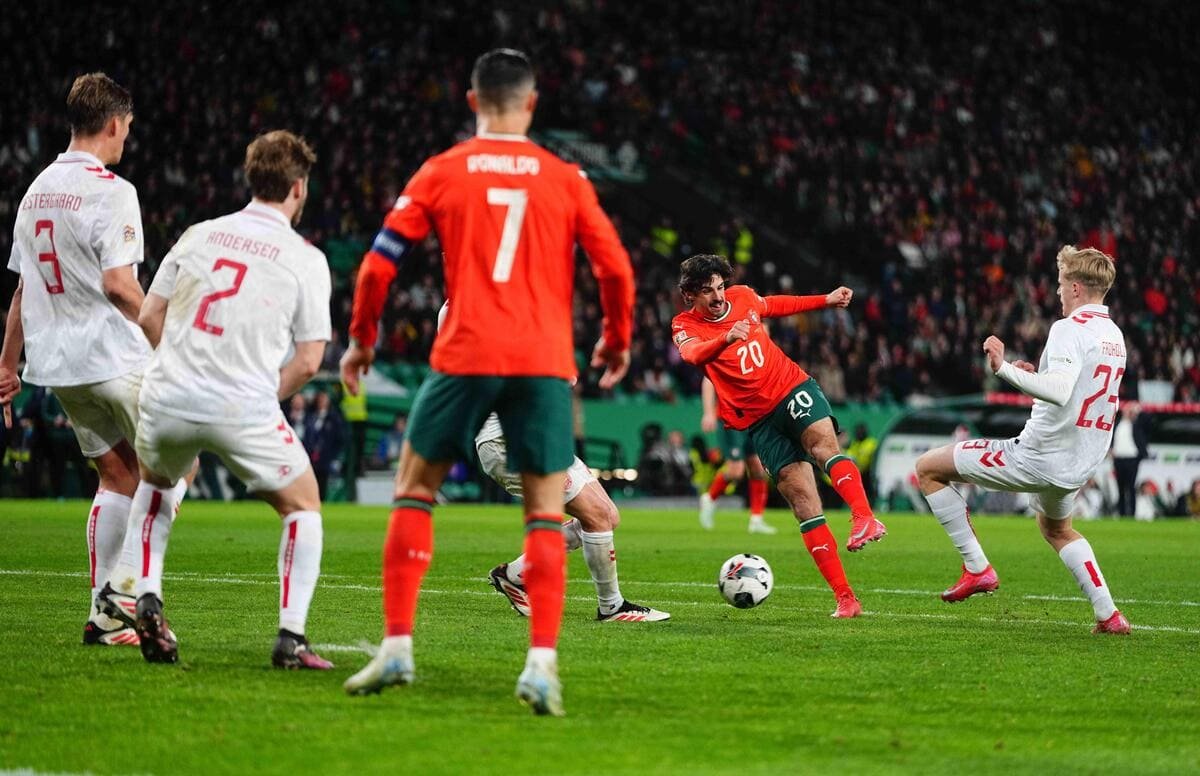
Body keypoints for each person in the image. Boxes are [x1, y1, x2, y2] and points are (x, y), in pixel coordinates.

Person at [339, 49, 635, 716]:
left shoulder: (444, 170)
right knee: (542, 510)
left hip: (465, 349)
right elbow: (615, 269)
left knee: (415, 490)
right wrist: (615, 341)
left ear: (473, 103)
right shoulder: (564, 177)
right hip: (541, 359)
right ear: (530, 105)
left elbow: (377, 267)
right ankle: (540, 666)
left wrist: (361, 341)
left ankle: (396, 647)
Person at [95, 130, 335, 667]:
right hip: (242, 403)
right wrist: (260, 398)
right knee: (303, 506)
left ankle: (145, 591)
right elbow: (309, 361)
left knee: (157, 485)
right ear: (298, 188)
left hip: (168, 396)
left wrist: (178, 367)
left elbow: (151, 317)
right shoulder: (306, 258)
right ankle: (291, 638)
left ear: (252, 179)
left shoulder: (199, 234)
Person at [0, 73, 167, 646]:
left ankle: (102, 619)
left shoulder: (35, 191)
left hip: (59, 367)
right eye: (127, 130)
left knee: (117, 473)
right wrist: (168, 335)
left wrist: (6, 367)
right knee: (177, 464)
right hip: (113, 356)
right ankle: (121, 590)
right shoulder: (112, 189)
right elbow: (121, 286)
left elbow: (23, 290)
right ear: (115, 124)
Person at [914, 245, 1132, 634]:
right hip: (1077, 464)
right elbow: (1074, 393)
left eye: (1062, 284)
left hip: (1035, 458)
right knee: (1056, 529)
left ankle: (977, 568)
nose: (1058, 292)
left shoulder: (1068, 328)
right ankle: (1109, 615)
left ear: (1078, 288)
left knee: (927, 468)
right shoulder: (1114, 336)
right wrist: (1033, 377)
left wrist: (1003, 370)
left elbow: (1061, 391)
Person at [671, 254, 886, 618]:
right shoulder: (684, 324)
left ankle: (864, 517)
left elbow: (774, 305)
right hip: (758, 420)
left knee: (823, 447)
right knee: (803, 503)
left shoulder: (742, 296)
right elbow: (693, 355)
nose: (719, 296)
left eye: (721, 287)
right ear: (691, 294)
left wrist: (826, 300)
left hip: (790, 387)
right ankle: (846, 598)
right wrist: (725, 339)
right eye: (708, 291)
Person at [431, 300, 666, 623]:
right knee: (596, 516)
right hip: (507, 436)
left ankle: (514, 576)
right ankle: (611, 606)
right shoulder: (466, 306)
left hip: (534, 430)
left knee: (607, 516)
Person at [698, 377, 775, 534]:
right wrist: (709, 413)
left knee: (758, 470)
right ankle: (709, 498)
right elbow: (708, 381)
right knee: (736, 470)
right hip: (729, 419)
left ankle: (756, 520)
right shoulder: (723, 354)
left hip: (752, 419)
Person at [303, 389, 344, 500]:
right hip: (310, 456)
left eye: (324, 399)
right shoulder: (310, 417)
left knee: (322, 483)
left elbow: (339, 439)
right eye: (320, 398)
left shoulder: (334, 418)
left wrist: (334, 456)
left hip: (325, 457)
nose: (322, 401)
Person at [1110, 401, 1148, 516]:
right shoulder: (1116, 423)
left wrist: (1138, 412)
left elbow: (1149, 421)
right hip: (1118, 459)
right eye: (1127, 409)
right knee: (1120, 488)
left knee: (1131, 487)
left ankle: (1132, 514)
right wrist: (1110, 449)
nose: (1128, 411)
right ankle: (1121, 513)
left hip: (1132, 460)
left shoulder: (1136, 424)